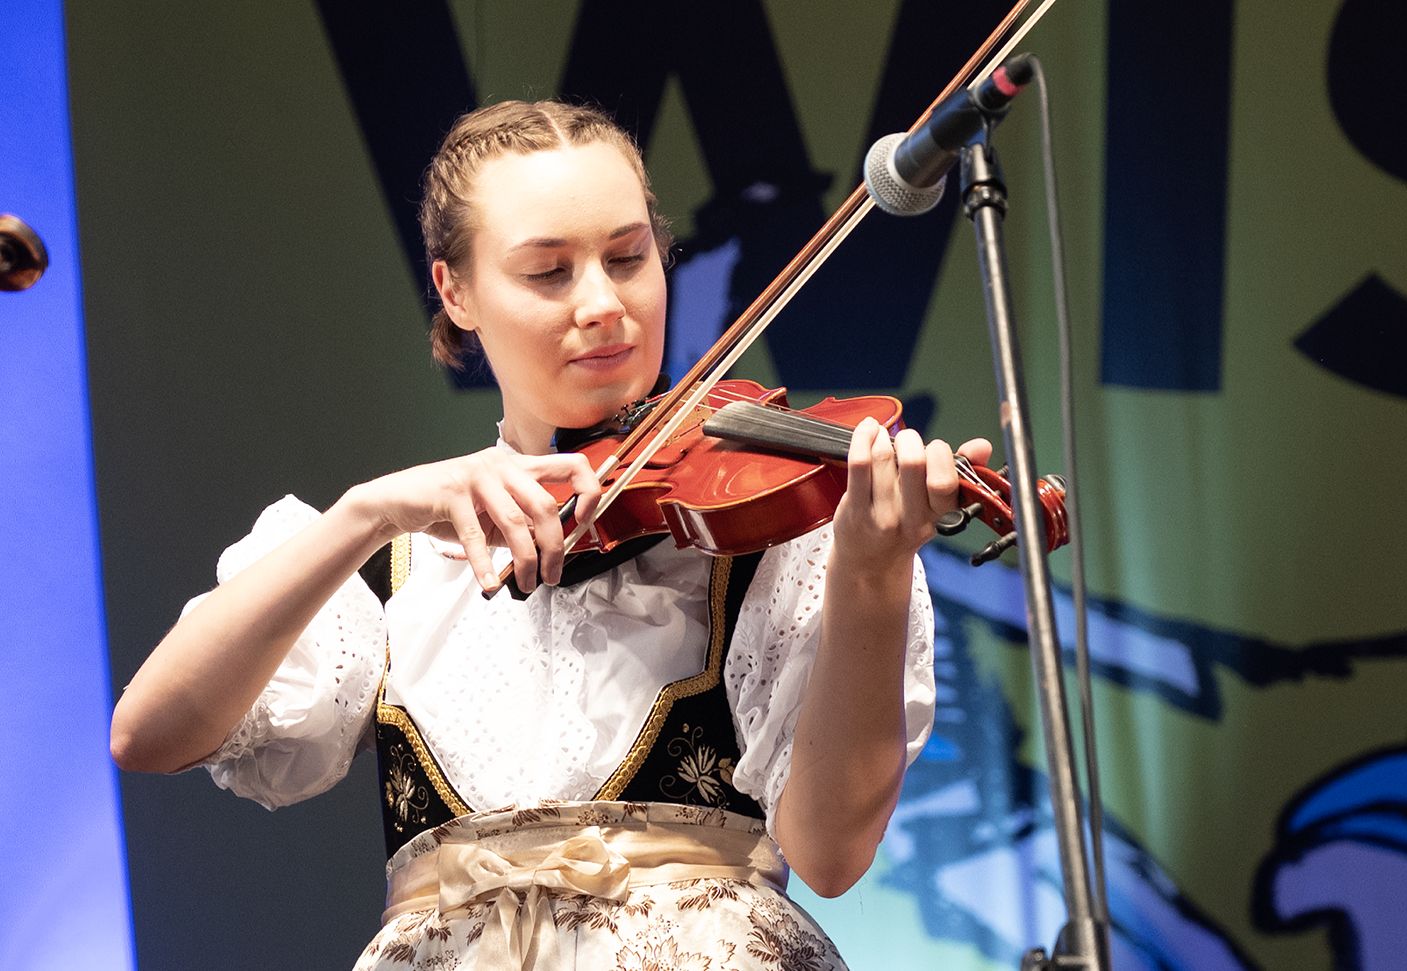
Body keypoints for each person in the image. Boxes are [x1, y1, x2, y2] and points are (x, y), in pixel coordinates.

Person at [111, 99, 992, 970]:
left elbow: (832, 855)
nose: (603, 303)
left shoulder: (775, 536)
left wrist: (871, 572)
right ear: (456, 290)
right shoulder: (395, 560)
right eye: (548, 272)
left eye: (628, 257)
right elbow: (149, 735)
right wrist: (364, 513)